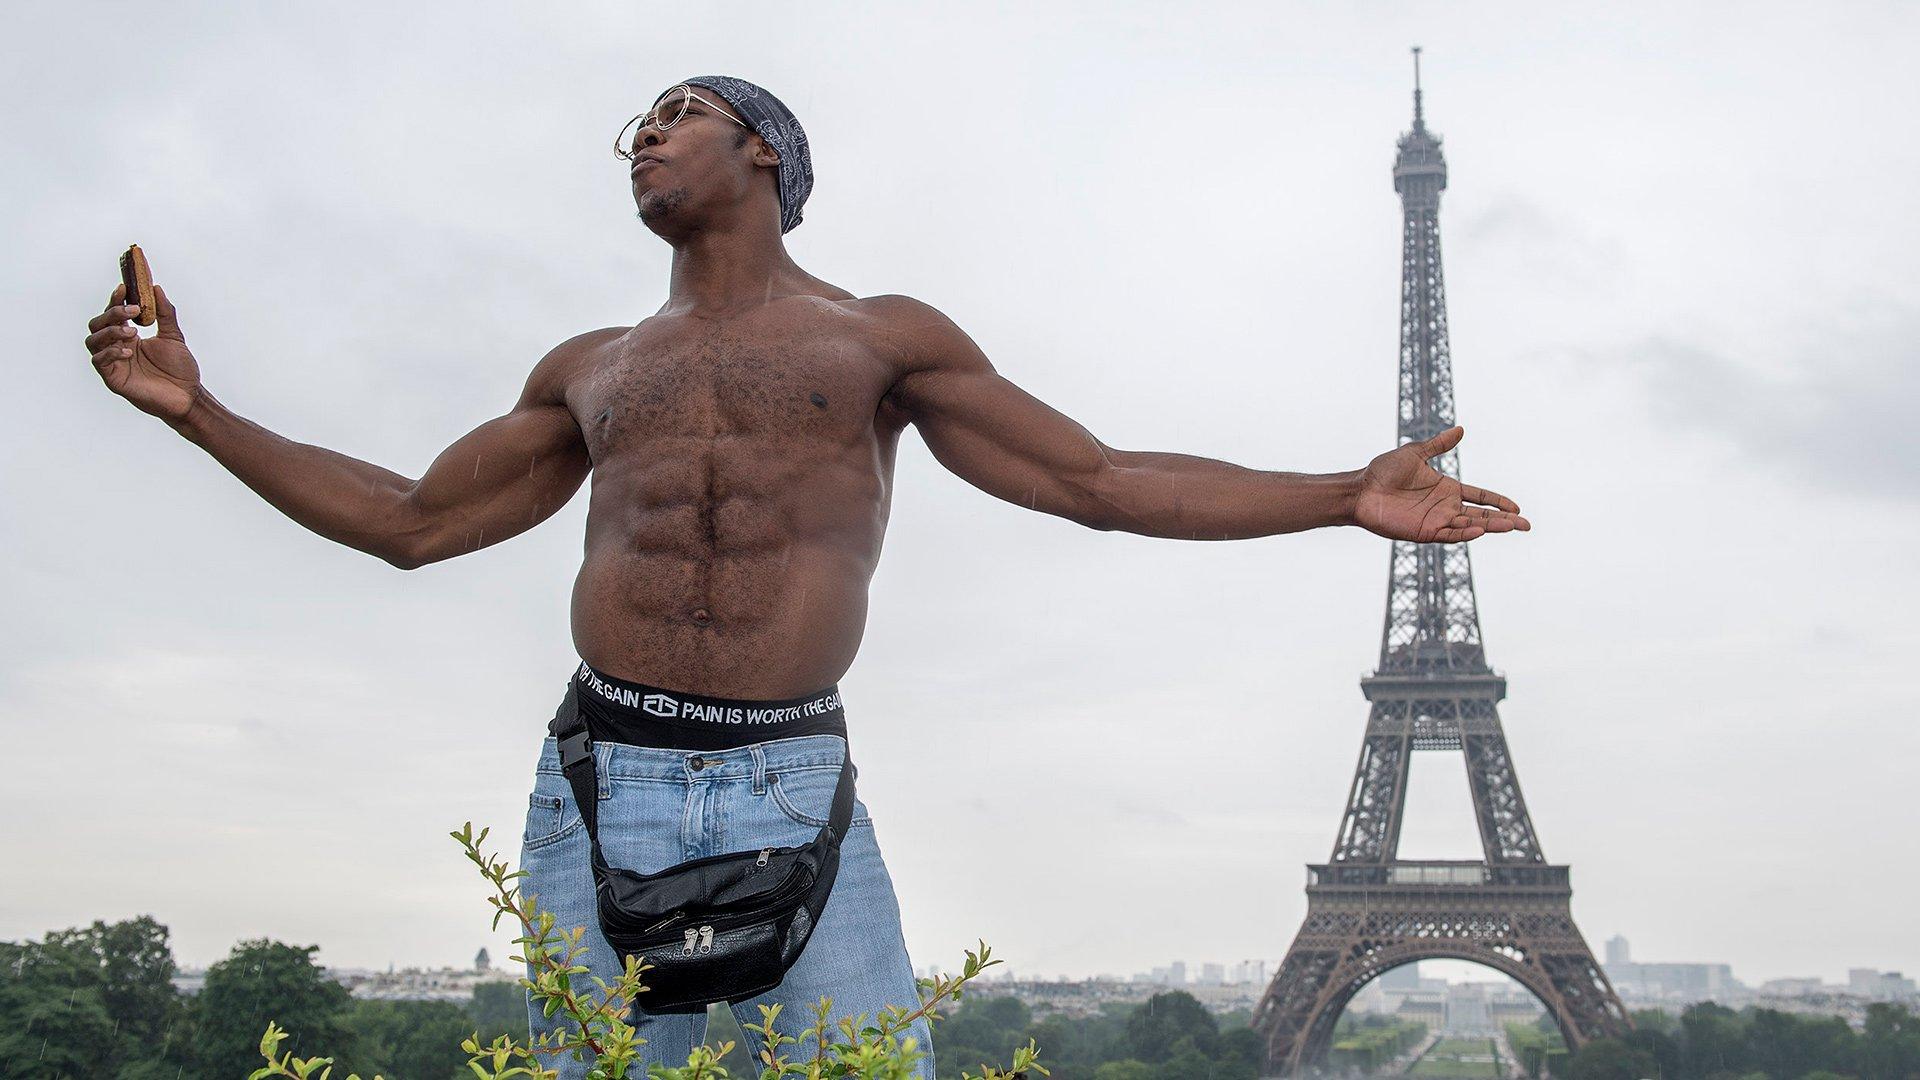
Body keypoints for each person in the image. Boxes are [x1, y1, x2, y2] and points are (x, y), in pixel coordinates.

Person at [80, 75, 1529, 1078]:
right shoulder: (588, 369)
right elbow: (406, 519)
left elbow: (1096, 483)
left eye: (674, 117)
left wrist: (1341, 495)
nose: (641, 142)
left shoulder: (879, 339)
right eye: (631, 131)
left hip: (789, 778)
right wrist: (198, 409)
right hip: (600, 777)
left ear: (763, 150)